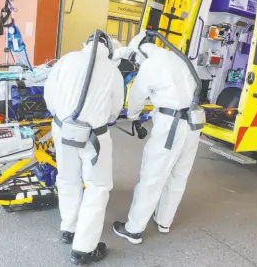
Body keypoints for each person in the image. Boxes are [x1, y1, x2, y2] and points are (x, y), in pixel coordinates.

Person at [112, 31, 201, 244]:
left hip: (170, 125)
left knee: (152, 177)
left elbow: (136, 96)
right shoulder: (176, 58)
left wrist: (133, 116)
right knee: (179, 174)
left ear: (140, 51)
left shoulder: (151, 64)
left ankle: (133, 229)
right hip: (193, 123)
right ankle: (164, 221)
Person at [44, 30, 124, 265]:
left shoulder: (67, 59)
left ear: (85, 44)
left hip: (62, 129)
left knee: (67, 179)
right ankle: (84, 248)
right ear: (109, 49)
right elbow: (114, 110)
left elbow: (50, 95)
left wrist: (62, 117)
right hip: (94, 137)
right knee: (97, 186)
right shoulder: (112, 70)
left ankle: (69, 228)